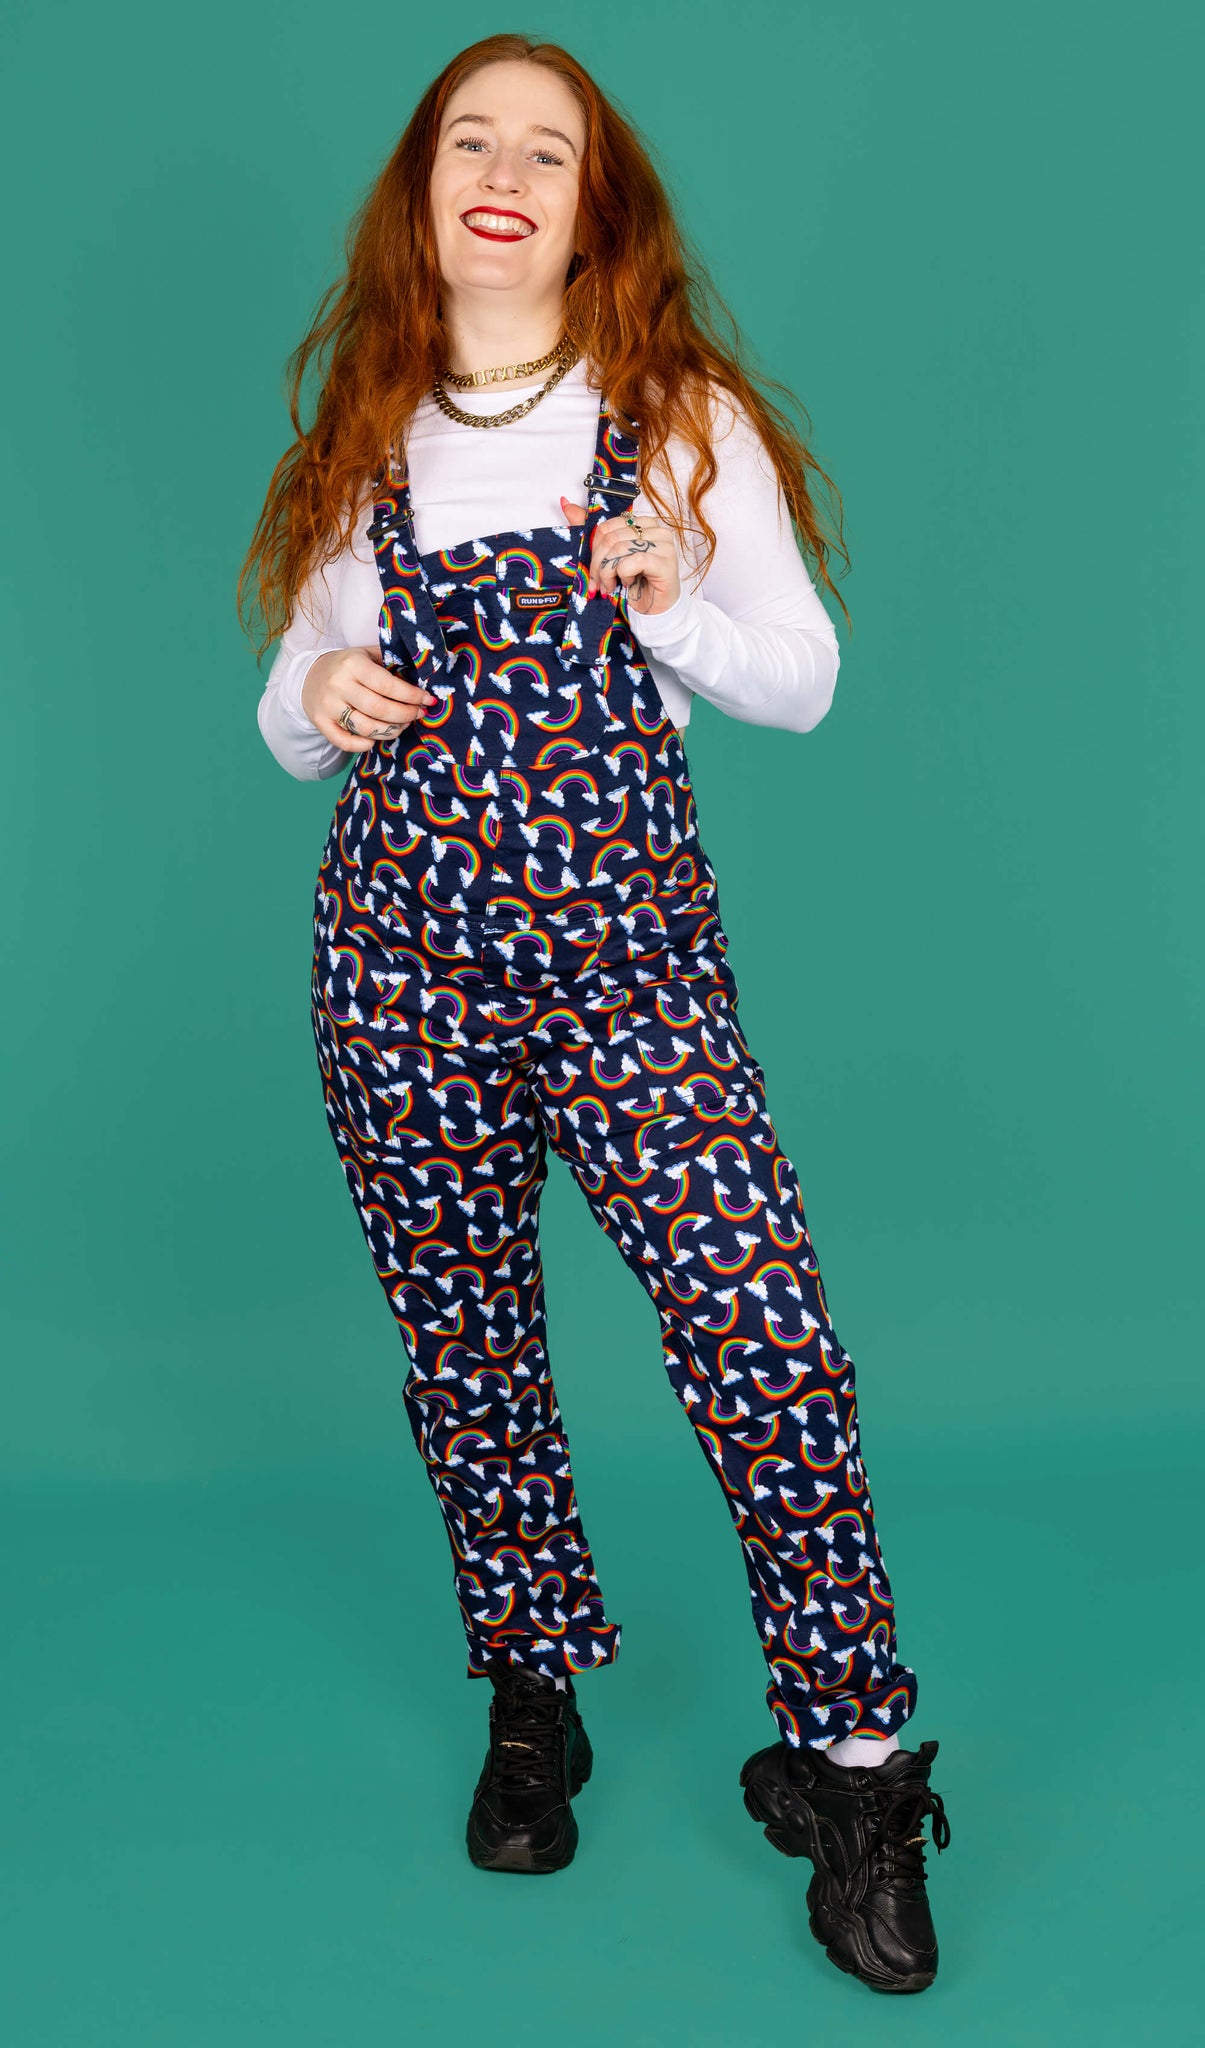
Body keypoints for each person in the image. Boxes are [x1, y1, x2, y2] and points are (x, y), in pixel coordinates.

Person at [239, 32, 951, 1996]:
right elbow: (292, 704)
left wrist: (663, 605)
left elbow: (797, 679)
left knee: (765, 1332)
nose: (502, 170)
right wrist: (327, 703)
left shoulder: (676, 415)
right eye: (468, 138)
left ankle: (856, 1768)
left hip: (628, 964)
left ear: (587, 207)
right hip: (402, 964)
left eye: (543, 150)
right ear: (425, 196)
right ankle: (529, 1688)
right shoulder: (366, 437)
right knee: (470, 1354)